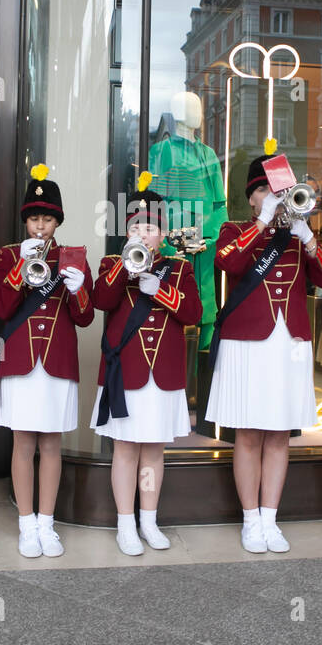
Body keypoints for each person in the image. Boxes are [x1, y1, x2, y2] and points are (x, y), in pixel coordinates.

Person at [207, 139, 322, 553]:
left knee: (280, 434)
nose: (274, 197)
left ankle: (270, 518)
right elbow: (227, 262)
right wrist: (262, 223)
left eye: (278, 191)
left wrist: (309, 239)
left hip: (289, 343)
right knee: (247, 434)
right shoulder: (236, 230)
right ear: (251, 197)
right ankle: (250, 520)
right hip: (247, 343)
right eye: (263, 190)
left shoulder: (300, 234)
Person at [91, 172, 202, 556]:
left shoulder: (180, 268)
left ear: (162, 234)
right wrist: (126, 268)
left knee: (153, 449)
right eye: (136, 226)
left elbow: (193, 313)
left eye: (151, 228)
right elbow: (100, 302)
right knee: (125, 448)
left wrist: (162, 291)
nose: (144, 233)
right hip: (127, 373)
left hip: (163, 375)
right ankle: (125, 524)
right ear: (127, 232)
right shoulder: (111, 264)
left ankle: (149, 521)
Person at [0, 163, 93, 558]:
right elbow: (0, 307)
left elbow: (84, 317)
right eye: (34, 218)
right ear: (25, 220)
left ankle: (47, 524)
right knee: (22, 443)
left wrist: (80, 289)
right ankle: (26, 523)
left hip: (58, 362)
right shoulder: (6, 255)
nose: (40, 226)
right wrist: (18, 267)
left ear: (57, 221)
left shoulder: (74, 255)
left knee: (51, 445)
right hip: (20, 361)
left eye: (47, 219)